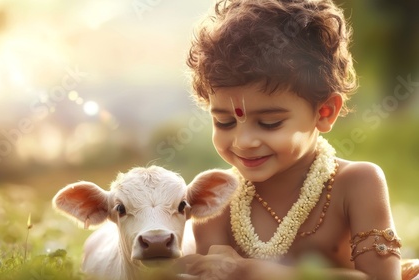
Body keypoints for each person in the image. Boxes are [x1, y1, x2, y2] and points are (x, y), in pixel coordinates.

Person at [173, 0, 417, 279]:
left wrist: (248, 270)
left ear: (324, 112)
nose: (244, 141)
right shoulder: (218, 202)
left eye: (269, 123)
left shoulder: (356, 183)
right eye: (224, 122)